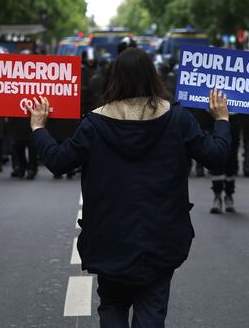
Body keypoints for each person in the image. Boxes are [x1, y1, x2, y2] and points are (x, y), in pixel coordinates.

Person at [28, 48, 230, 328]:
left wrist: (39, 128)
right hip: (162, 236)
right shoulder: (177, 119)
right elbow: (216, 157)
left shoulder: (94, 124)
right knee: (152, 309)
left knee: (112, 306)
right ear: (153, 77)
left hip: (109, 237)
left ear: (115, 79)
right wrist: (221, 120)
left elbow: (59, 161)